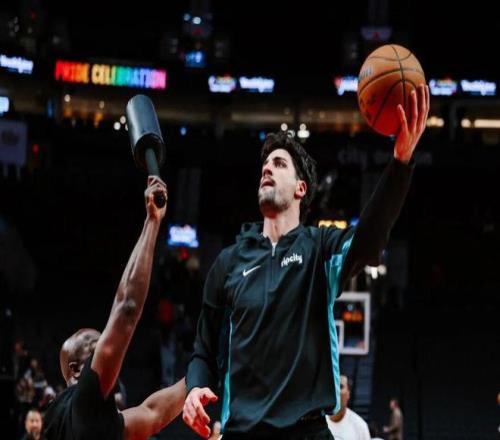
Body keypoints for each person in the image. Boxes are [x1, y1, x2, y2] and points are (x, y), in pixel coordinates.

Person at [183, 86, 430, 439]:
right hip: (242, 431)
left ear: (301, 188)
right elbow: (203, 350)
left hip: (307, 430)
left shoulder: (320, 248)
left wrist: (400, 164)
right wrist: (194, 388)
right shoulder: (229, 261)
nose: (267, 169)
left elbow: (370, 241)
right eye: (265, 165)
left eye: (279, 164)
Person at [43, 177, 186, 440]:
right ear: (77, 369)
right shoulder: (85, 403)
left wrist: (202, 370)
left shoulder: (59, 419)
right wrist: (152, 222)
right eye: (96, 347)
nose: (108, 348)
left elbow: (152, 413)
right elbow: (127, 308)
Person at [325, 375, 370, 440]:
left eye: (340, 386)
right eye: (333, 386)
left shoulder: (360, 427)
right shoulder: (316, 423)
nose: (336, 391)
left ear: (348, 393)